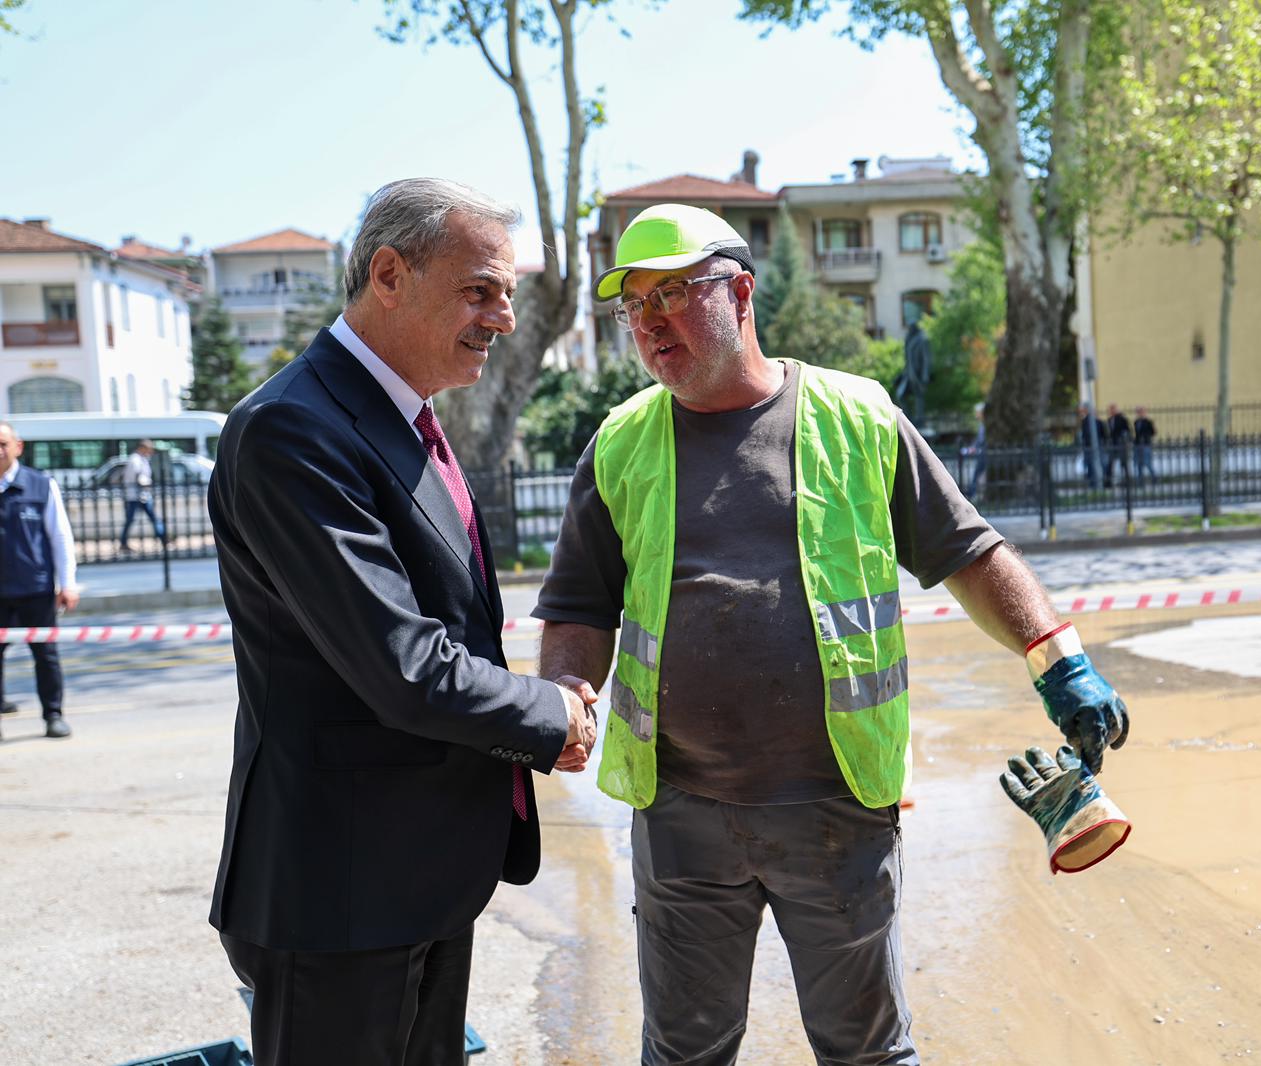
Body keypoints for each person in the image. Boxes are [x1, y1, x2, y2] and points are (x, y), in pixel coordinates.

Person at [536, 203, 1130, 1065]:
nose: (650, 320)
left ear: (740, 292)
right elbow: (580, 605)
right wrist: (564, 696)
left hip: (836, 810)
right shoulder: (620, 444)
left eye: (673, 293)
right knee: (684, 1053)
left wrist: (1059, 661)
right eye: (633, 304)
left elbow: (967, 551)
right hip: (681, 814)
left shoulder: (856, 417)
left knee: (866, 1053)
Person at [207, 178, 598, 1066]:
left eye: (506, 294)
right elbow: (403, 663)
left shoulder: (399, 416)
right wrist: (552, 716)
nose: (502, 317)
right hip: (340, 890)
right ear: (389, 273)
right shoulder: (291, 431)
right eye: (479, 290)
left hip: (419, 874)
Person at [0, 421, 79, 742]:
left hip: (36, 589)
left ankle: (53, 715)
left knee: (45, 655)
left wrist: (68, 582)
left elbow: (60, 536)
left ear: (18, 446)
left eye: (3, 443)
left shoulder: (41, 484)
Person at [119, 439, 167, 550]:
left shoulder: (141, 459)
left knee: (152, 518)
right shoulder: (135, 459)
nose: (150, 452)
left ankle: (163, 538)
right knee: (132, 520)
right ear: (142, 448)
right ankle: (123, 542)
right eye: (149, 449)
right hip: (135, 495)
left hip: (142, 495)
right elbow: (137, 476)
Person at [1077, 403, 1106, 488]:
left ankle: (1096, 483)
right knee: (1090, 465)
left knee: (1095, 464)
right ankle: (1092, 483)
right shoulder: (1085, 421)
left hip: (1095, 446)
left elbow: (1102, 434)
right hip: (1088, 446)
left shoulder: (1096, 422)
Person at [1105, 403, 1132, 486]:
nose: (1111, 411)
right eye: (1110, 409)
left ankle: (1127, 481)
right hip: (1112, 444)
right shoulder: (1109, 420)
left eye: (1113, 409)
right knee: (1110, 462)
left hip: (1121, 443)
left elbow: (1128, 430)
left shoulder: (1122, 419)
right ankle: (1108, 481)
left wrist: (1126, 441)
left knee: (1123, 463)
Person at [1133, 405, 1158, 487]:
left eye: (1141, 411)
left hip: (1146, 444)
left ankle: (1154, 478)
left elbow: (1153, 432)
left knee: (1147, 463)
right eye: (1138, 412)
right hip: (1138, 445)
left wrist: (1145, 436)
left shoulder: (1148, 421)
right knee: (1139, 464)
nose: (1139, 413)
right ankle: (1140, 482)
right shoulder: (1136, 422)